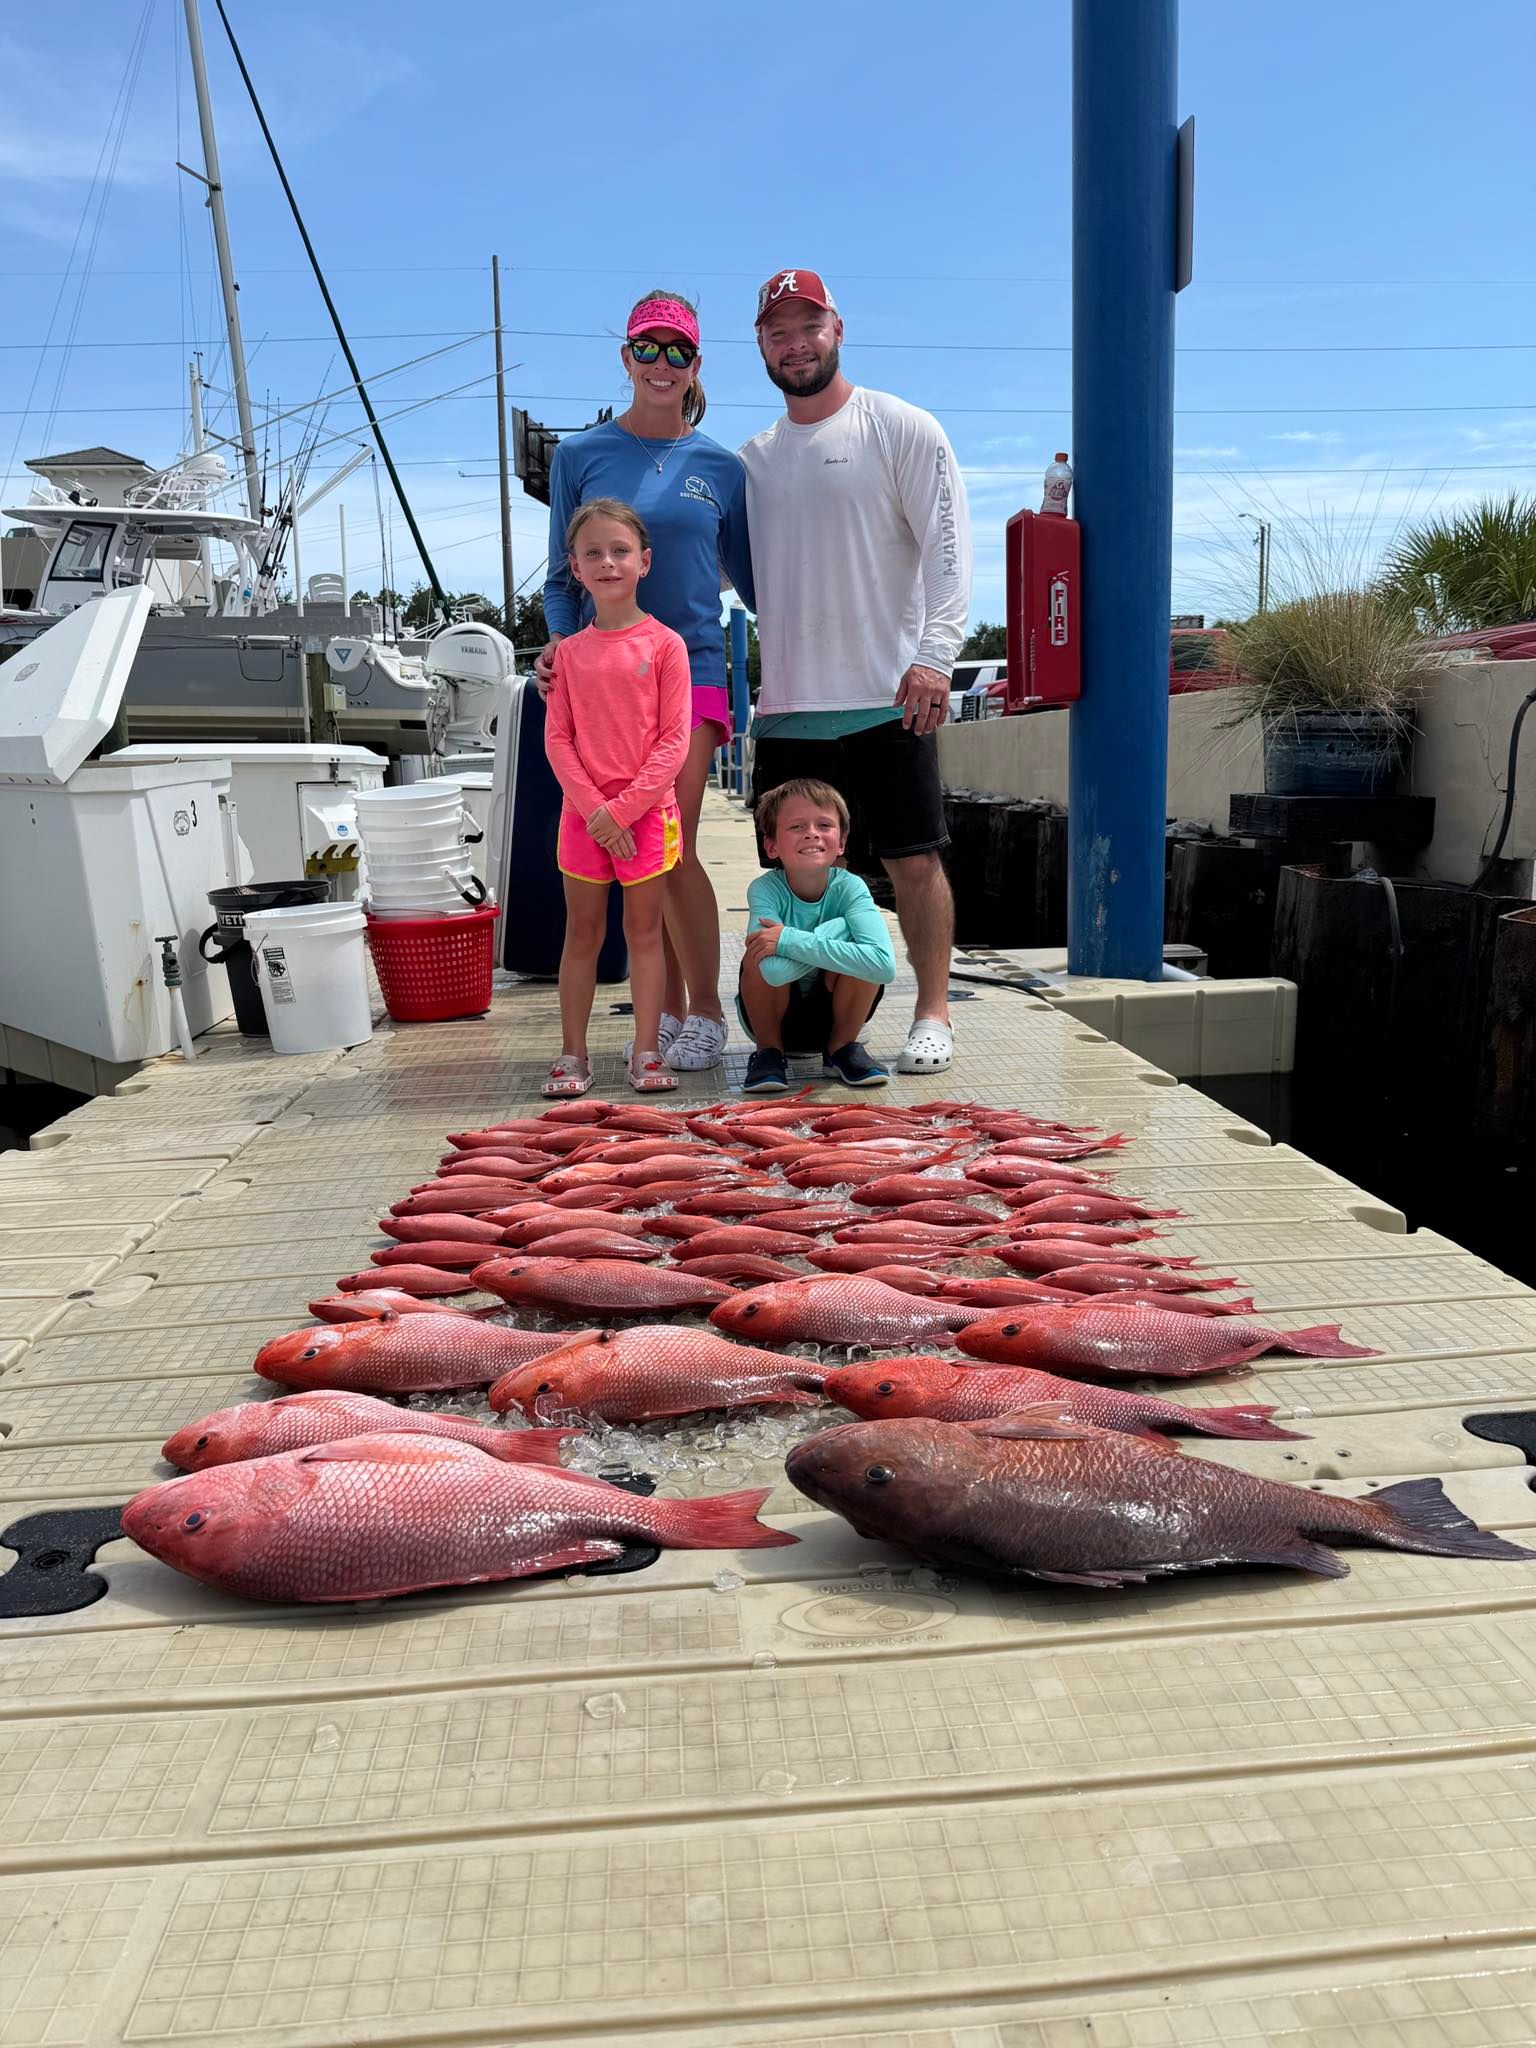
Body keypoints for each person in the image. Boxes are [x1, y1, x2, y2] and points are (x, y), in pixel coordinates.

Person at [739, 267, 973, 1077]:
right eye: (778, 331)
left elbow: (949, 548)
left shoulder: (901, 427)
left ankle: (933, 1012)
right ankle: (796, 1036)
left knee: (913, 860)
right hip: (791, 708)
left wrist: (935, 656)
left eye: (809, 325)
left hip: (888, 697)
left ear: (838, 328)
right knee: (793, 879)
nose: (795, 342)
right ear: (761, 346)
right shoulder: (754, 461)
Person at [539, 289, 754, 1075]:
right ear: (626, 358)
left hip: (691, 670)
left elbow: (759, 584)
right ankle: (659, 1011)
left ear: (696, 365)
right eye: (648, 348)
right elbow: (559, 580)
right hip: (601, 681)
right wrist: (563, 650)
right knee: (631, 847)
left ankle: (704, 1008)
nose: (662, 364)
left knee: (672, 841)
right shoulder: (579, 455)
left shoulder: (724, 467)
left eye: (678, 351)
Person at [542, 498, 690, 1097]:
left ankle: (647, 1050)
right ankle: (573, 1054)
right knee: (582, 933)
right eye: (593, 553)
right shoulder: (567, 656)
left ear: (644, 562)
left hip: (647, 816)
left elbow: (674, 740)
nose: (608, 562)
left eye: (620, 551)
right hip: (584, 818)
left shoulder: (665, 646)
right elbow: (558, 740)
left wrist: (622, 811)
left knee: (645, 933)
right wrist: (595, 813)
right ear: (575, 568)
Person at [737, 777, 896, 1094]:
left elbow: (883, 966)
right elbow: (774, 971)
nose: (811, 832)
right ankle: (769, 1052)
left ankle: (841, 1049)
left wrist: (787, 940)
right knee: (757, 956)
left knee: (862, 959)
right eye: (796, 826)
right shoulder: (765, 890)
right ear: (771, 846)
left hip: (835, 1016)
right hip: (775, 1018)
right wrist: (840, 930)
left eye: (824, 824)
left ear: (841, 841)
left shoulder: (851, 888)